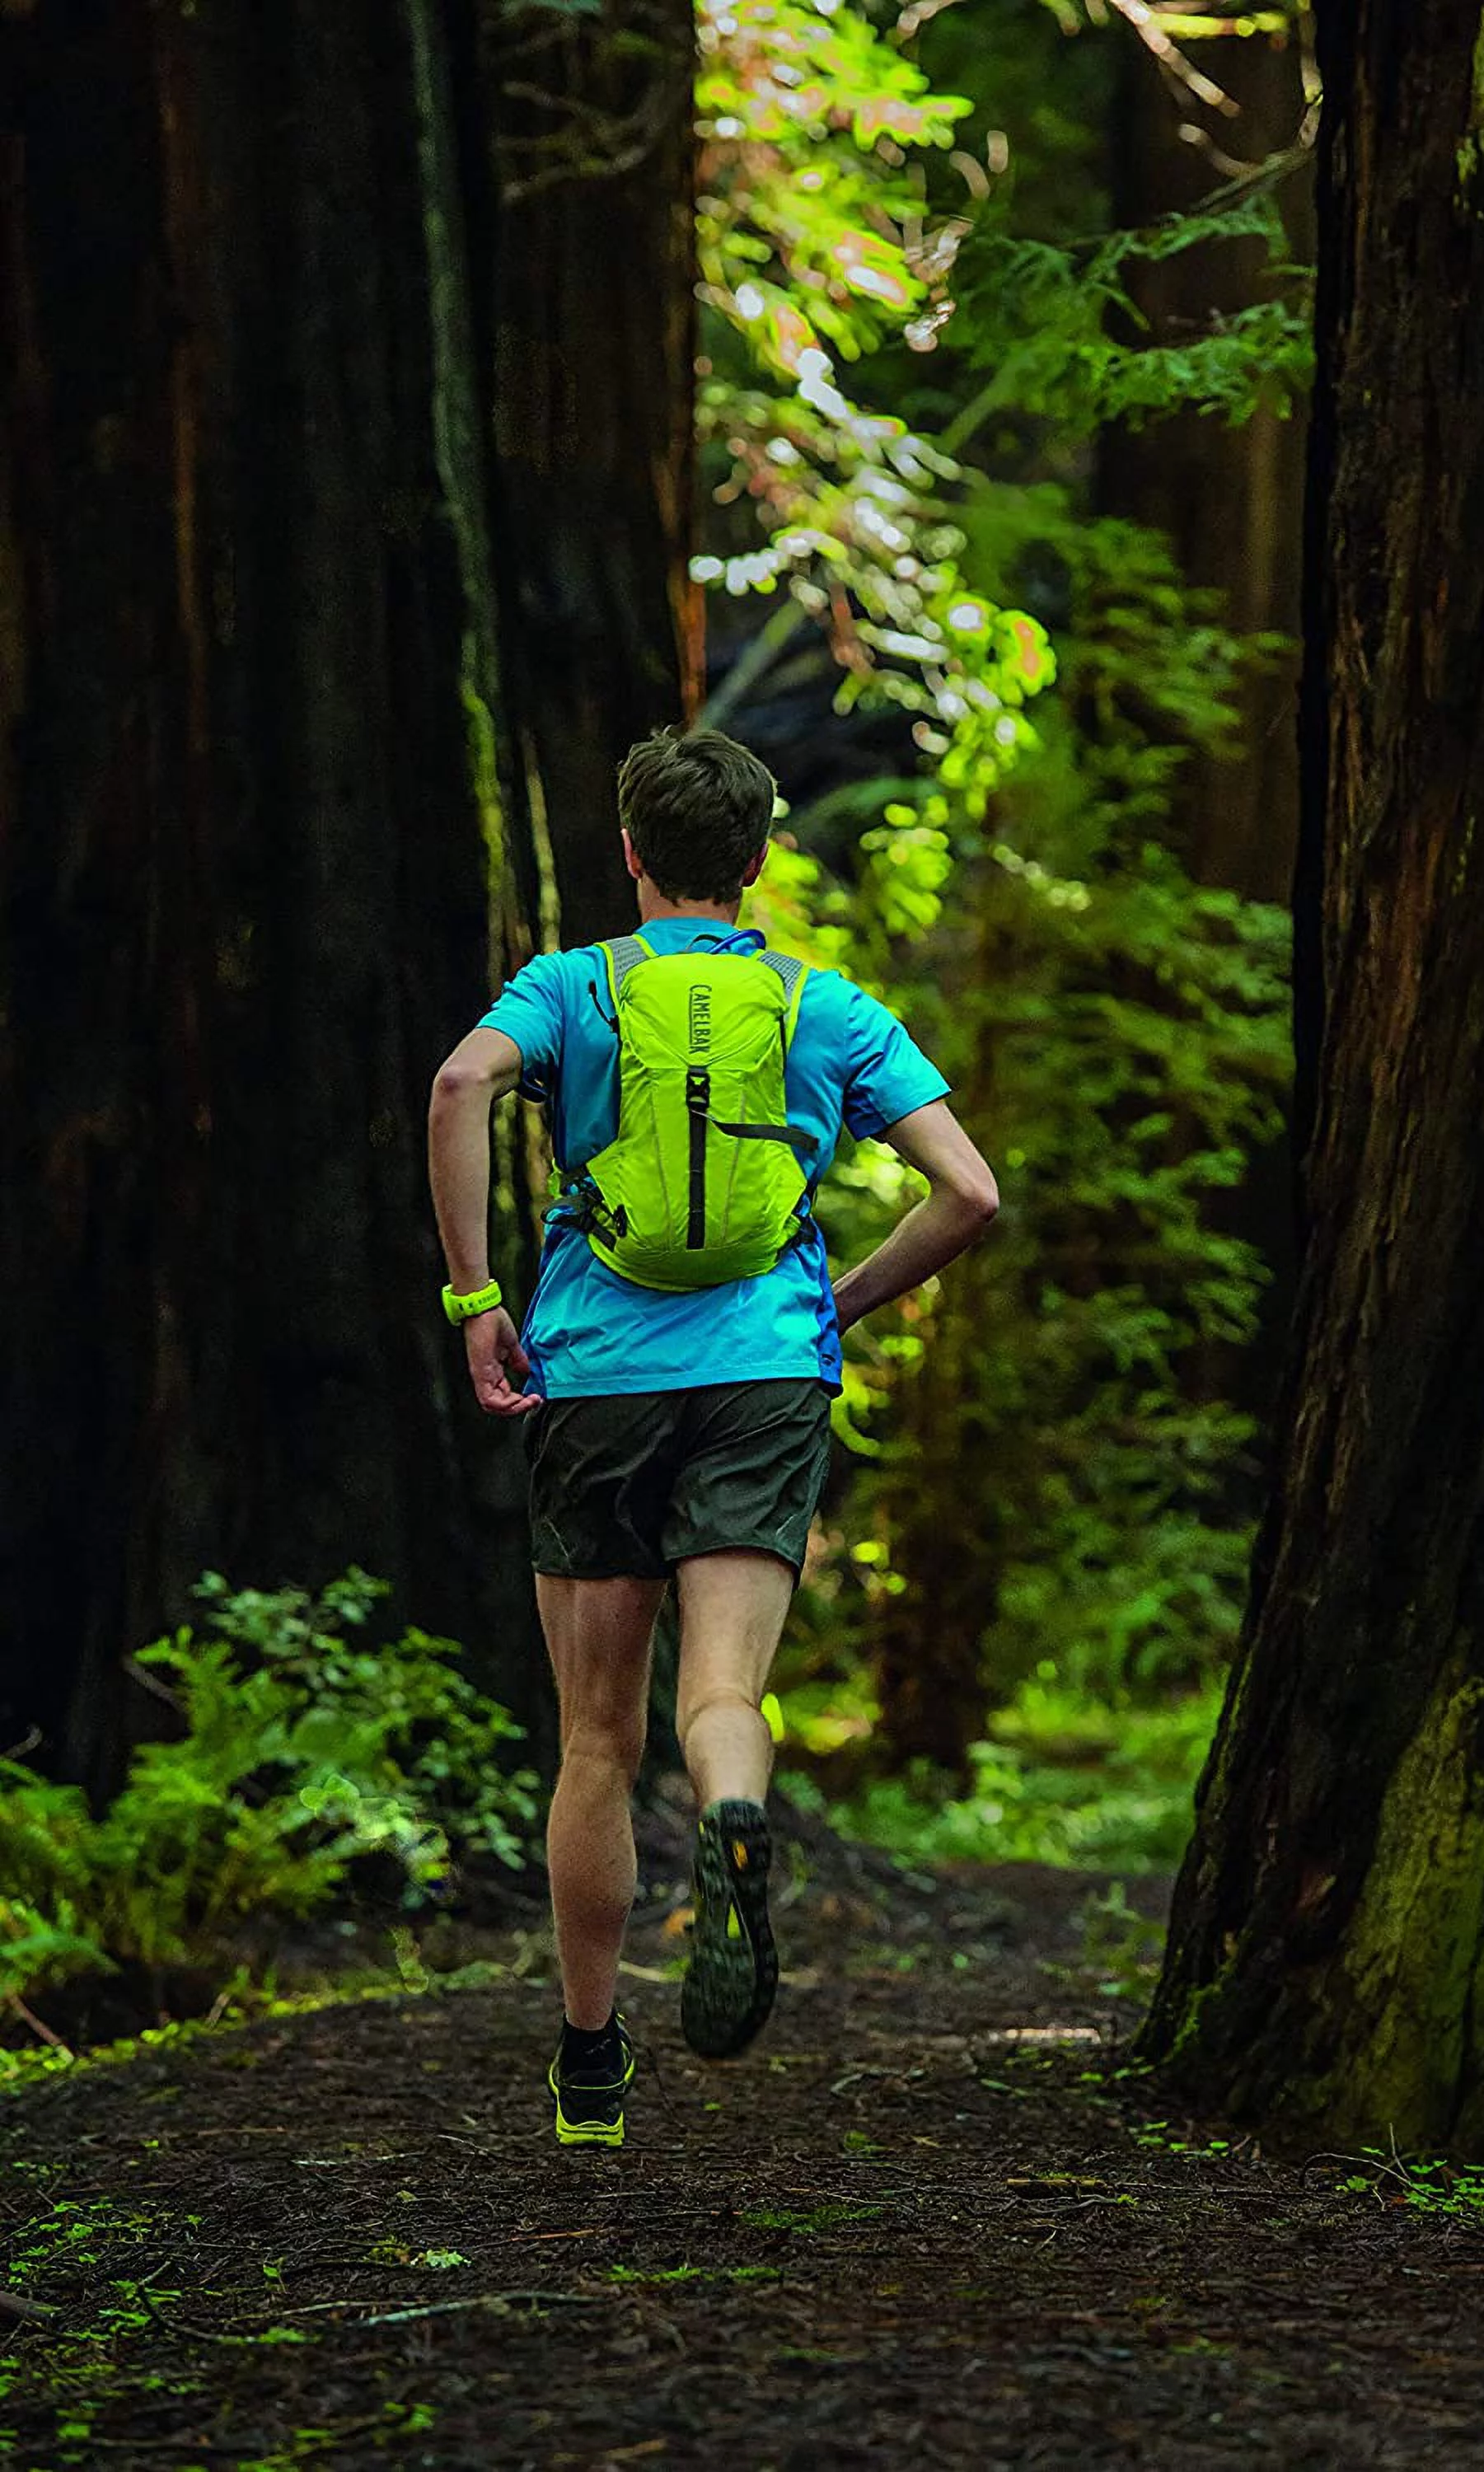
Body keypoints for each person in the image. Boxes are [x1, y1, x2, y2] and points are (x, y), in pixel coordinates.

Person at [427, 727, 997, 2148]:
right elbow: (969, 1194)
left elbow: (456, 1089)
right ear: (756, 863)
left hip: (600, 1380)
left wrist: (479, 1300)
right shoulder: (824, 1005)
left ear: (631, 852)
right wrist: (837, 1303)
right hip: (763, 1378)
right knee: (718, 1694)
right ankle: (738, 1817)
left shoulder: (572, 989)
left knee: (595, 1743)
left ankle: (591, 2054)